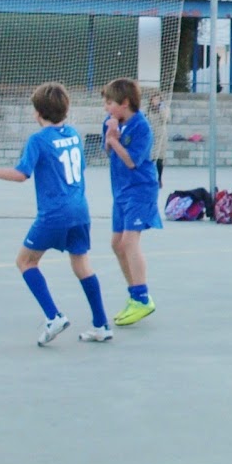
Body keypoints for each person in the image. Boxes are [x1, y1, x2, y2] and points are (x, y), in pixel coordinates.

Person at [0, 82, 113, 345]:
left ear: (37, 112)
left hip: (55, 213)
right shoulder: (74, 134)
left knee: (25, 262)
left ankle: (53, 316)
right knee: (81, 265)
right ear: (65, 110)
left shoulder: (38, 140)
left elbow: (22, 174)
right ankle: (101, 324)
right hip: (80, 209)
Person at [101, 77, 161, 327]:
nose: (106, 107)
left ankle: (142, 297)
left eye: (109, 102)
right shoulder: (111, 122)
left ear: (125, 103)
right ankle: (133, 293)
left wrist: (114, 139)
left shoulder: (141, 127)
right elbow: (107, 151)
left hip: (140, 189)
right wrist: (110, 136)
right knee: (116, 244)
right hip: (121, 191)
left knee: (129, 241)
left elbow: (131, 161)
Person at [146, 89, 169, 187]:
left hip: (161, 135)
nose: (155, 101)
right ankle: (150, 178)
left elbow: (166, 119)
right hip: (151, 134)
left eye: (157, 99)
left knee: (160, 158)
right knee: (150, 157)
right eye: (154, 99)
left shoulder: (164, 108)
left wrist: (161, 109)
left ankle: (159, 178)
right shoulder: (148, 109)